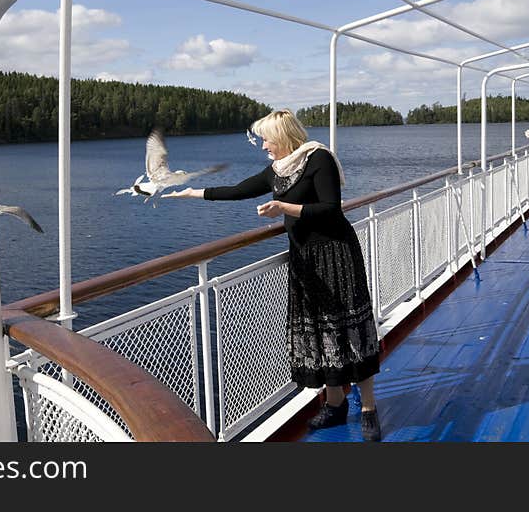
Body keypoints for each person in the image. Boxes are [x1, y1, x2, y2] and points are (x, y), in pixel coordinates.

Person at [162, 109, 382, 440]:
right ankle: (335, 403)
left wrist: (284, 208)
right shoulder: (278, 170)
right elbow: (239, 190)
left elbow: (330, 209)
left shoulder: (318, 158)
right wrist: (192, 193)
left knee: (348, 327)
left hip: (335, 253)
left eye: (267, 139)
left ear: (282, 137)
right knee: (320, 329)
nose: (264, 146)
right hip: (304, 258)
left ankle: (368, 408)